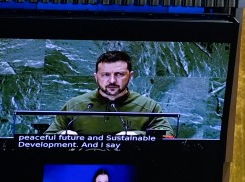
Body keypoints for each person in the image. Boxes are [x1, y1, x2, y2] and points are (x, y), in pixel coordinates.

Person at [46, 49, 174, 136]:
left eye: (119, 74)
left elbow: (168, 136)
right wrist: (60, 136)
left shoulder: (148, 107)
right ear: (96, 77)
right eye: (105, 75)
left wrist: (138, 136)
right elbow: (46, 137)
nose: (112, 80)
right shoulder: (75, 105)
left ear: (131, 76)